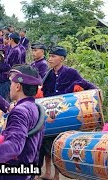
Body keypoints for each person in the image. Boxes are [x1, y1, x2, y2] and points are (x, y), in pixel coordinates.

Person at [39, 46, 97, 180]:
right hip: (51, 114)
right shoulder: (48, 74)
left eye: (53, 56)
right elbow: (45, 92)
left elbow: (90, 87)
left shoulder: (71, 72)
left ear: (62, 59)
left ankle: (57, 175)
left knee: (58, 144)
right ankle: (47, 172)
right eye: (50, 56)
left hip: (65, 114)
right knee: (45, 142)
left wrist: (82, 91)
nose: (50, 59)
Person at [0, 32, 25, 101]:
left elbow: (10, 66)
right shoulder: (13, 49)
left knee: (3, 99)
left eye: (9, 39)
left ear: (11, 39)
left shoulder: (16, 50)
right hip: (5, 77)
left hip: (7, 78)